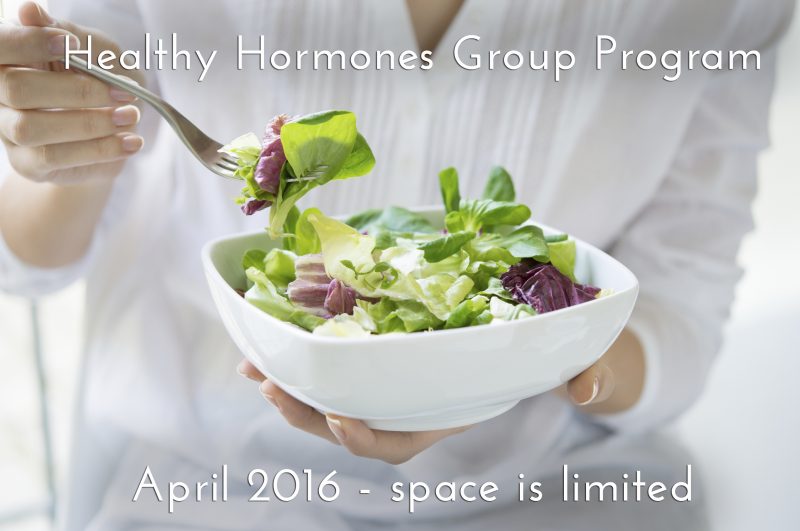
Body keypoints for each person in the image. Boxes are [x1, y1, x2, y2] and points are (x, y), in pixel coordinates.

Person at [0, 0, 792, 529]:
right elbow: (30, 260)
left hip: (557, 478)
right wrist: (77, 148)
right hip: (209, 468)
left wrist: (540, 357)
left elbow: (683, 307)